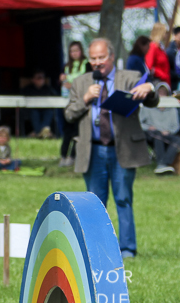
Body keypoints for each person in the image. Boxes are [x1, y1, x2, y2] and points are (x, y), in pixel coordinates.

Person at [65, 38, 158, 259]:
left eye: (101, 58)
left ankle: (127, 249)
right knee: (94, 204)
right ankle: (96, 250)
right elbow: (68, 114)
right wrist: (86, 98)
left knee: (123, 198)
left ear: (112, 57)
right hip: (93, 151)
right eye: (93, 58)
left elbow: (152, 101)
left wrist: (150, 88)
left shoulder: (130, 78)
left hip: (122, 149)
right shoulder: (81, 82)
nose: (97, 63)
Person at [58, 41, 90, 166]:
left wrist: (73, 86)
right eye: (72, 51)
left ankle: (73, 156)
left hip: (81, 102)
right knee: (67, 131)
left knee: (78, 131)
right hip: (67, 102)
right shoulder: (66, 66)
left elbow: (88, 82)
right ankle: (63, 155)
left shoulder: (87, 65)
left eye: (76, 50)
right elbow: (62, 84)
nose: (74, 53)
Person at [140, 82, 180, 175]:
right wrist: (148, 127)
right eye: (160, 92)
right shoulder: (148, 107)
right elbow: (140, 123)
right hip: (152, 134)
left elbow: (176, 126)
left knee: (178, 141)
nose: (162, 94)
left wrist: (168, 131)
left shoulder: (172, 109)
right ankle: (161, 164)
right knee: (157, 136)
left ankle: (164, 163)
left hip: (167, 134)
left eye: (164, 92)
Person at [21, 70, 56, 138]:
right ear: (33, 79)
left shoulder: (48, 89)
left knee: (49, 112)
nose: (41, 80)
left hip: (45, 110)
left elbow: (55, 98)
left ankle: (37, 133)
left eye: (42, 77)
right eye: (38, 78)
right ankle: (42, 133)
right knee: (34, 113)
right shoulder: (27, 89)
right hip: (32, 111)